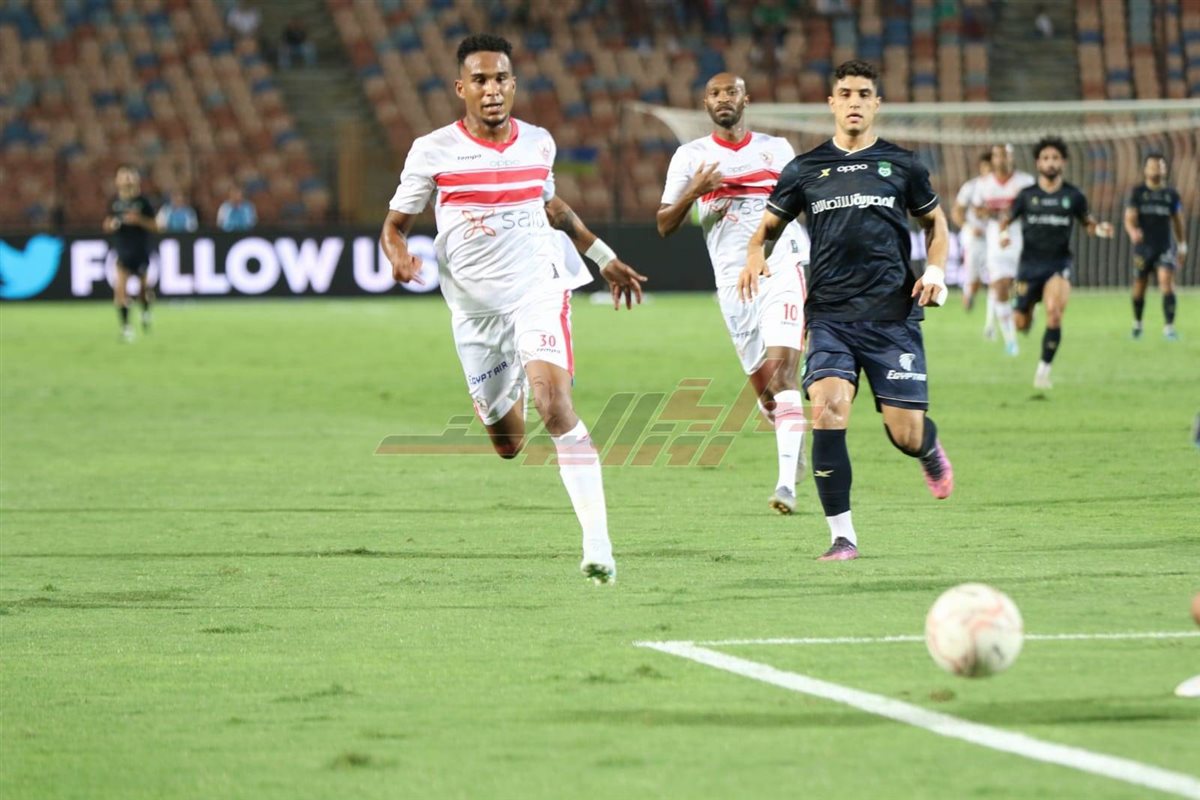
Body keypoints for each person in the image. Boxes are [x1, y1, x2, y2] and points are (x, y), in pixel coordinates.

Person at [380, 34, 647, 585]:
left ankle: (598, 545)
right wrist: (398, 255)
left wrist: (602, 256)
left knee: (554, 404)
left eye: (501, 78)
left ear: (514, 84)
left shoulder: (539, 143)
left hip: (538, 290)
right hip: (475, 312)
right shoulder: (431, 150)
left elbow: (552, 207)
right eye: (480, 80)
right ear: (460, 88)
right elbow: (394, 226)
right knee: (508, 445)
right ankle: (518, 375)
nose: (492, 89)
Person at [739, 59, 954, 562]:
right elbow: (765, 230)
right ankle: (843, 538)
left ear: (877, 104)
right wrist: (753, 255)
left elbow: (936, 225)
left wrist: (936, 271)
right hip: (830, 317)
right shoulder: (804, 169)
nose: (854, 102)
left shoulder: (903, 165)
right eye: (846, 94)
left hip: (893, 317)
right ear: (831, 103)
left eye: (863, 94)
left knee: (905, 434)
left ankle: (926, 448)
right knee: (828, 409)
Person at [657, 72, 809, 516]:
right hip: (733, 285)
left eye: (731, 92)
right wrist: (695, 191)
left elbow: (801, 206)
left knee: (784, 375)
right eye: (715, 93)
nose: (723, 98)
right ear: (705, 104)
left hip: (780, 267)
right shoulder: (690, 157)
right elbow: (664, 224)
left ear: (746, 99)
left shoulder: (777, 149)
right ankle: (793, 442)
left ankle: (786, 485)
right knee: (768, 395)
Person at [1001, 136, 1114, 390]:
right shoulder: (1026, 196)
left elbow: (1088, 224)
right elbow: (1005, 220)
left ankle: (1043, 371)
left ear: (1063, 162)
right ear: (1038, 163)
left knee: (1054, 314)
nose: (1050, 162)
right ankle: (1032, 305)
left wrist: (1100, 229)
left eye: (1055, 158)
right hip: (1028, 266)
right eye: (1045, 158)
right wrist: (1003, 235)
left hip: (1058, 264)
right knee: (1020, 324)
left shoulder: (1073, 196)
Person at [972, 143, 1035, 354]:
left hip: (1022, 241)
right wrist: (990, 213)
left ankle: (1029, 310)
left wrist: (1015, 213)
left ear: (1012, 158)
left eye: (1006, 155)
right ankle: (1010, 341)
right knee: (999, 286)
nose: (1002, 159)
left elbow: (1034, 208)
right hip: (996, 243)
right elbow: (977, 209)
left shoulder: (1025, 182)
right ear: (993, 159)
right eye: (998, 156)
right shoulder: (983, 184)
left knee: (1024, 290)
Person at [1125, 153, 1187, 340]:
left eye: (1159, 166)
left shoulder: (1171, 194)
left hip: (1165, 247)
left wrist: (1182, 245)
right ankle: (1137, 325)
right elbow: (1129, 218)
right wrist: (1132, 232)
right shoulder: (1138, 192)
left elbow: (1178, 221)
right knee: (1139, 286)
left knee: (1167, 283)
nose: (1156, 169)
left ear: (1165, 170)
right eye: (1152, 166)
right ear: (1145, 170)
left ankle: (1169, 328)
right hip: (1143, 248)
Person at [102, 165, 158, 342]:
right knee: (120, 289)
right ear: (117, 181)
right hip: (123, 250)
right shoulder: (114, 202)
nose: (127, 179)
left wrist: (139, 220)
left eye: (129, 175)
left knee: (143, 290)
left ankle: (145, 311)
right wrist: (111, 225)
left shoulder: (144, 202)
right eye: (123, 176)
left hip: (140, 250)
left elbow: (156, 226)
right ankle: (126, 327)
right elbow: (106, 224)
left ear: (136, 179)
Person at [951, 151, 991, 313]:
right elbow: (956, 212)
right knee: (974, 277)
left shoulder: (1003, 188)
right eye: (987, 167)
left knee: (998, 276)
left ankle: (996, 313)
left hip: (995, 238)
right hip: (974, 239)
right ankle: (969, 293)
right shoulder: (971, 187)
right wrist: (968, 228)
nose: (990, 171)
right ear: (981, 167)